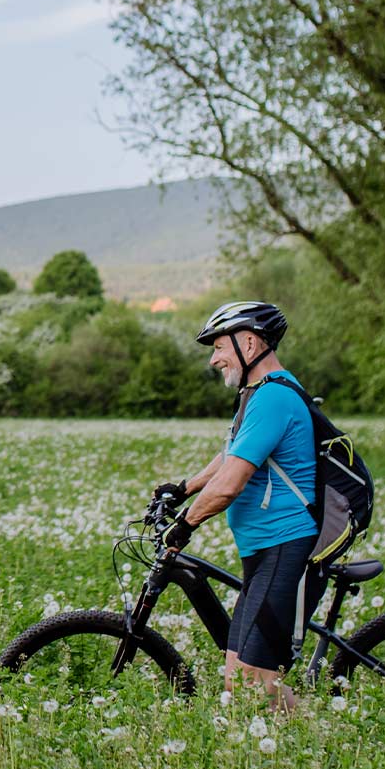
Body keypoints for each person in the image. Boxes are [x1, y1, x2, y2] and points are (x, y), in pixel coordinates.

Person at [152, 301, 320, 710]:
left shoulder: (273, 397)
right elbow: (232, 453)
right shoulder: (258, 394)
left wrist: (184, 525)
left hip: (284, 545)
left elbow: (229, 484)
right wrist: (185, 488)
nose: (214, 360)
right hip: (263, 550)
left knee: (251, 681)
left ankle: (316, 738)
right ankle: (296, 736)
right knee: (238, 678)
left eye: (218, 348)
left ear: (249, 343)